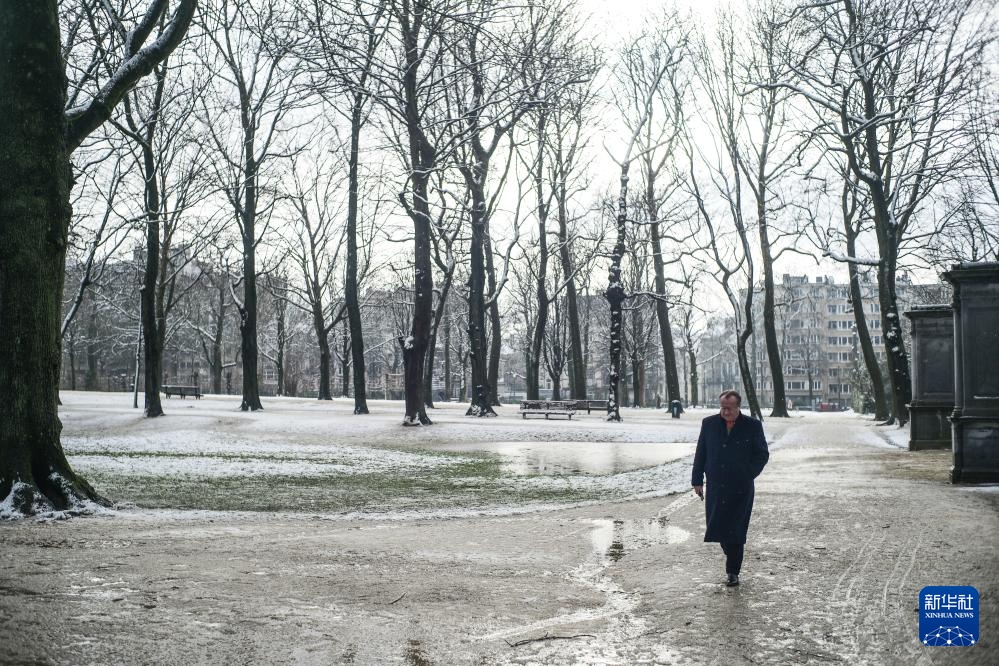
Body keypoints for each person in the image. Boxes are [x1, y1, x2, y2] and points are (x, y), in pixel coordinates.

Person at [691, 389, 769, 586]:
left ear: (738, 407)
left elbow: (762, 454)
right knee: (717, 527)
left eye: (729, 408)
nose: (724, 412)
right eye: (722, 408)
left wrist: (748, 473)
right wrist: (697, 480)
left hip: (741, 488)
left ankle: (733, 572)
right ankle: (730, 556)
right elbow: (701, 452)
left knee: (736, 529)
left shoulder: (752, 426)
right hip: (717, 486)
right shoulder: (708, 424)